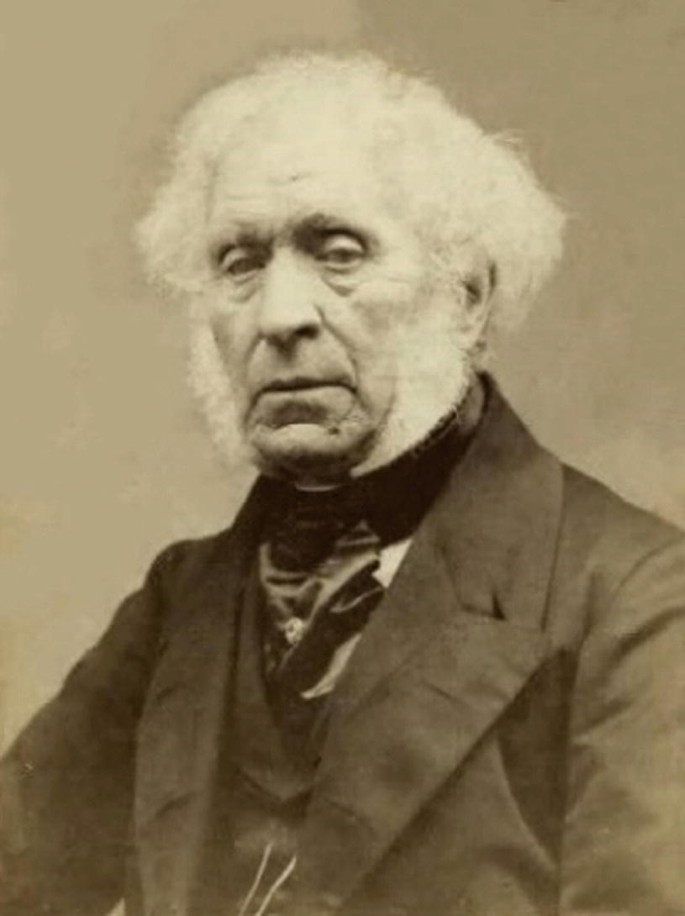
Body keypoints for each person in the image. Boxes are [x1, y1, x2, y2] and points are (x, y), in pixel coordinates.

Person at [1, 51, 683, 916]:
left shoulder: (635, 597)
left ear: (466, 296)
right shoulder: (182, 597)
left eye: (337, 252)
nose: (280, 314)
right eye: (240, 263)